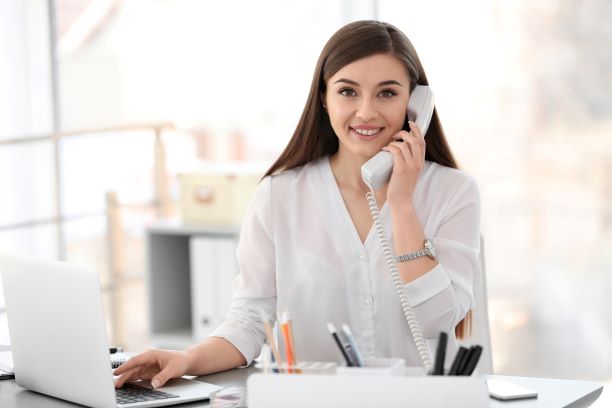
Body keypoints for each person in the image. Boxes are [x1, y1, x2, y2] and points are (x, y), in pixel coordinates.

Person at [114, 20, 481, 389]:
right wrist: (185, 359)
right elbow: (251, 317)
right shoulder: (279, 195)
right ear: (323, 97)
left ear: (415, 102)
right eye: (348, 91)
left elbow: (438, 320)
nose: (366, 112)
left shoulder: (454, 192)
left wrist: (401, 204)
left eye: (387, 93)